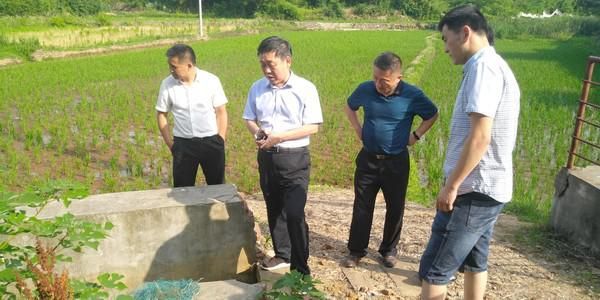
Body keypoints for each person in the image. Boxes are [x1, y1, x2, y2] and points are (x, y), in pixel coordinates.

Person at [419, 5, 520, 300]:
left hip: (473, 189)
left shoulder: (482, 67)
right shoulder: (491, 64)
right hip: (488, 189)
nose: (445, 47)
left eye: (445, 38)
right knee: (476, 261)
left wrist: (452, 186)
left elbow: (480, 136)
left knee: (436, 268)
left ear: (465, 33)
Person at [342, 52, 439, 269]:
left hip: (396, 161)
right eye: (375, 78)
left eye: (383, 80)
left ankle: (388, 250)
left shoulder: (412, 95)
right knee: (362, 206)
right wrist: (358, 128)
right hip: (368, 159)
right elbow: (350, 106)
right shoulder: (365, 89)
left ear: (398, 78)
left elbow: (432, 114)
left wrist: (415, 136)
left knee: (395, 207)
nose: (377, 84)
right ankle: (356, 251)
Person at [242, 36, 323, 276]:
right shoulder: (257, 88)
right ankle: (282, 254)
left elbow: (313, 126)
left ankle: (301, 266)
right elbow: (249, 117)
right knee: (274, 207)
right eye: (262, 64)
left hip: (295, 158)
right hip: (267, 158)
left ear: (287, 60)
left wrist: (280, 137)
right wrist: (259, 133)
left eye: (271, 64)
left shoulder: (305, 88)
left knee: (295, 214)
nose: (267, 70)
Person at [156, 44, 228, 187]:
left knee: (217, 187)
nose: (171, 70)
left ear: (189, 65)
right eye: (170, 66)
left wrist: (221, 138)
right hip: (183, 144)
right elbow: (161, 114)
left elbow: (221, 111)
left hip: (211, 142)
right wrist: (171, 144)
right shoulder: (167, 84)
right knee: (182, 190)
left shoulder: (211, 81)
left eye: (174, 66)